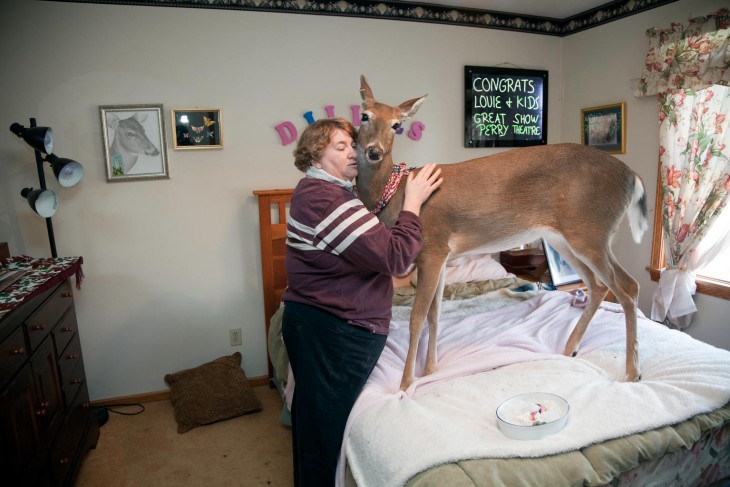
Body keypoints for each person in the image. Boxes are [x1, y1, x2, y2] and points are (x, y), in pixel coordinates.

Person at [281, 117, 442, 486]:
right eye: (341, 147)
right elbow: (397, 259)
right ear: (315, 156)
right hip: (334, 331)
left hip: (321, 323)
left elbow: (363, 247)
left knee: (314, 427)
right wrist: (412, 203)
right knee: (322, 433)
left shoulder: (327, 194)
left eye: (352, 146)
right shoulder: (326, 199)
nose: (353, 153)